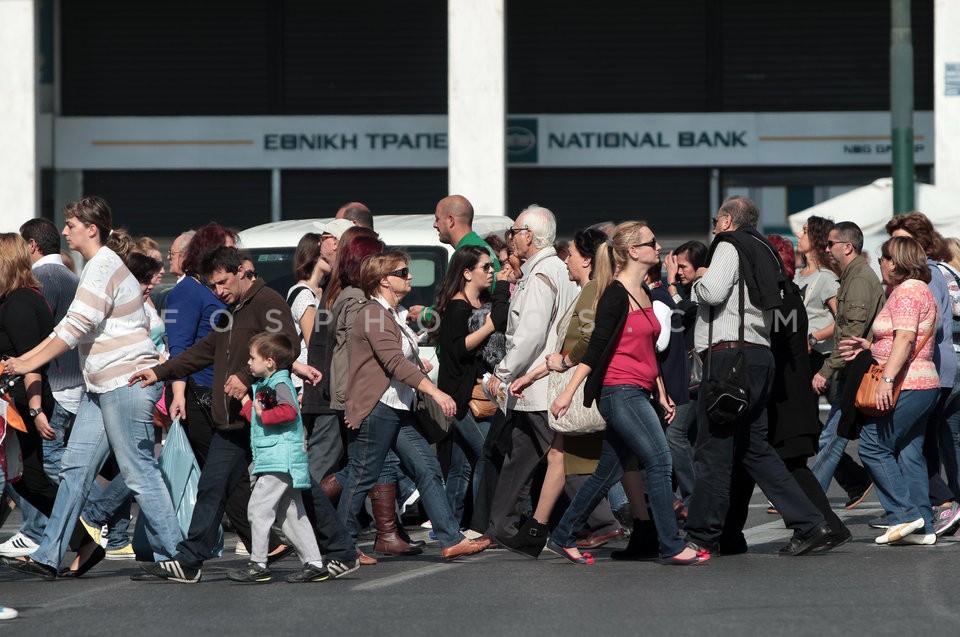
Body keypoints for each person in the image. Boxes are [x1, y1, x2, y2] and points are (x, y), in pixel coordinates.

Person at [133, 246, 357, 583]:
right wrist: (161, 372)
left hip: (265, 417)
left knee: (301, 487)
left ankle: (341, 552)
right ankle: (190, 561)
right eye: (212, 286)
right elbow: (205, 350)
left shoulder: (267, 302)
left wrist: (245, 375)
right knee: (213, 487)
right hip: (236, 421)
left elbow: (287, 347)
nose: (219, 291)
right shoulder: (230, 311)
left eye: (223, 282)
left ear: (241, 271)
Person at [1, 197, 183, 580]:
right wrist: (28, 360)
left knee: (138, 472)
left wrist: (24, 362)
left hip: (125, 383)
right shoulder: (96, 267)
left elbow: (73, 328)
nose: (64, 232)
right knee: (74, 471)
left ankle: (176, 556)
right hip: (102, 387)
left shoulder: (102, 267)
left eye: (70, 225)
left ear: (91, 229)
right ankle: (49, 554)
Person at [683, 195, 834, 558]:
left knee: (713, 449)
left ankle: (700, 537)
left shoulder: (728, 245)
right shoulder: (765, 248)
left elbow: (715, 291)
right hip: (759, 355)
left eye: (717, 219)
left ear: (726, 221)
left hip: (729, 356)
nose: (714, 225)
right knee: (755, 449)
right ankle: (811, 523)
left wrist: (697, 282)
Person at [543, 222, 703, 565]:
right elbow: (597, 347)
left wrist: (661, 393)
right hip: (619, 391)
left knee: (607, 472)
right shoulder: (614, 293)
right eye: (652, 243)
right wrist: (568, 393)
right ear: (633, 251)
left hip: (639, 390)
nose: (659, 248)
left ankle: (562, 535)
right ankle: (672, 545)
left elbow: (648, 350)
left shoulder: (644, 290)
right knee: (659, 461)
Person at [339, 251, 490, 560]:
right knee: (361, 476)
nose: (410, 277)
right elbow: (392, 361)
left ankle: (450, 538)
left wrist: (415, 359)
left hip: (398, 408)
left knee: (427, 468)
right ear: (384, 281)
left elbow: (397, 354)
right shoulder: (371, 313)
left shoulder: (396, 312)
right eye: (403, 272)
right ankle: (339, 547)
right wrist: (436, 392)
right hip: (376, 408)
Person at [720, 235, 851, 554]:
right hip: (789, 396)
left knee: (789, 464)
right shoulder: (789, 296)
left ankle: (828, 526)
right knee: (767, 463)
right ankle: (732, 533)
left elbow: (771, 348)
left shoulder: (779, 302)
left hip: (785, 399)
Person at [507, 227, 623, 556]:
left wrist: (564, 379)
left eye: (570, 254)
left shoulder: (590, 294)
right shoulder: (589, 292)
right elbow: (566, 350)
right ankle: (540, 529)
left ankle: (602, 524)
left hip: (583, 390)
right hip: (580, 386)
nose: (566, 259)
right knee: (562, 456)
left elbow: (584, 345)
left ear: (587, 260)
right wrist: (534, 375)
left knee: (605, 462)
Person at [484, 205, 579, 549]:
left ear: (528, 235)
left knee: (560, 460)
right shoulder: (552, 269)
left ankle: (601, 519)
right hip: (537, 384)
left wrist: (503, 373)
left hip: (537, 384)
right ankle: (501, 526)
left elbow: (530, 335)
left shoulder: (542, 273)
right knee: (520, 455)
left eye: (514, 232)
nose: (511, 238)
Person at [840, 237, 940, 545]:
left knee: (872, 445)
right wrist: (871, 346)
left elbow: (905, 339)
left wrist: (886, 380)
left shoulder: (907, 292)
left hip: (905, 383)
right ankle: (921, 526)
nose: (879, 263)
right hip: (923, 383)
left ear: (895, 262)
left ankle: (903, 515)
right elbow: (901, 338)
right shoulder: (920, 290)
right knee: (910, 452)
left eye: (883, 258)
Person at [228, 332, 329, 583]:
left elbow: (289, 412)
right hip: (279, 457)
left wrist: (262, 413)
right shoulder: (270, 384)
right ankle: (315, 563)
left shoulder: (279, 384)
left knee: (258, 509)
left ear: (270, 362)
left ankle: (258, 564)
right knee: (291, 514)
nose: (249, 363)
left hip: (279, 458)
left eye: (253, 358)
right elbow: (260, 422)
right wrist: (245, 401)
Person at [884, 212, 960, 535]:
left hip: (932, 371)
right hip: (938, 370)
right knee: (940, 442)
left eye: (905, 240)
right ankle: (940, 506)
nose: (899, 250)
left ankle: (943, 504)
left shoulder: (927, 275)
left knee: (919, 442)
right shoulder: (929, 275)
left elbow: (936, 323)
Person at [797, 216, 874, 510]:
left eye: (832, 243)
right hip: (838, 364)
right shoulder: (843, 277)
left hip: (840, 362)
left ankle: (809, 496)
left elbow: (846, 329)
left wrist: (823, 363)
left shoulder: (845, 280)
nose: (827, 248)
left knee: (836, 431)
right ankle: (848, 483)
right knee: (838, 431)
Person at [433, 245, 509, 527]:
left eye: (492, 267)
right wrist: (488, 327)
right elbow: (457, 350)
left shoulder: (481, 303)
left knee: (461, 465)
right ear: (466, 273)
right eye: (485, 267)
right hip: (461, 397)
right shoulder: (456, 308)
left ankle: (449, 526)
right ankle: (481, 525)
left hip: (480, 393)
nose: (491, 272)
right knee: (486, 454)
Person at [0, 233, 59, 559]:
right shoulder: (22, 298)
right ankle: (80, 538)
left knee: (26, 479)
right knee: (26, 480)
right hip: (20, 403)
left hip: (20, 403)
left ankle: (80, 536)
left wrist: (36, 411)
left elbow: (31, 362)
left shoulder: (20, 303)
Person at [662, 240, 708, 517]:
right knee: (687, 438)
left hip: (697, 375)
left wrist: (669, 284)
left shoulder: (701, 290)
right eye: (675, 266)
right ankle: (690, 498)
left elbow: (680, 313)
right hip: (684, 374)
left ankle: (693, 497)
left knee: (675, 434)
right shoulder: (685, 289)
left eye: (683, 266)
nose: (678, 272)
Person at [408, 194, 501, 323]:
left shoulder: (469, 253)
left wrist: (426, 314)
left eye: (437, 219)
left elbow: (461, 306)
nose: (435, 225)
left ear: (451, 220)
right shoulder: (479, 248)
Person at [937, 238, 960, 509]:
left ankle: (949, 500)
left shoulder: (944, 275)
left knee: (943, 433)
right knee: (952, 435)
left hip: (950, 360)